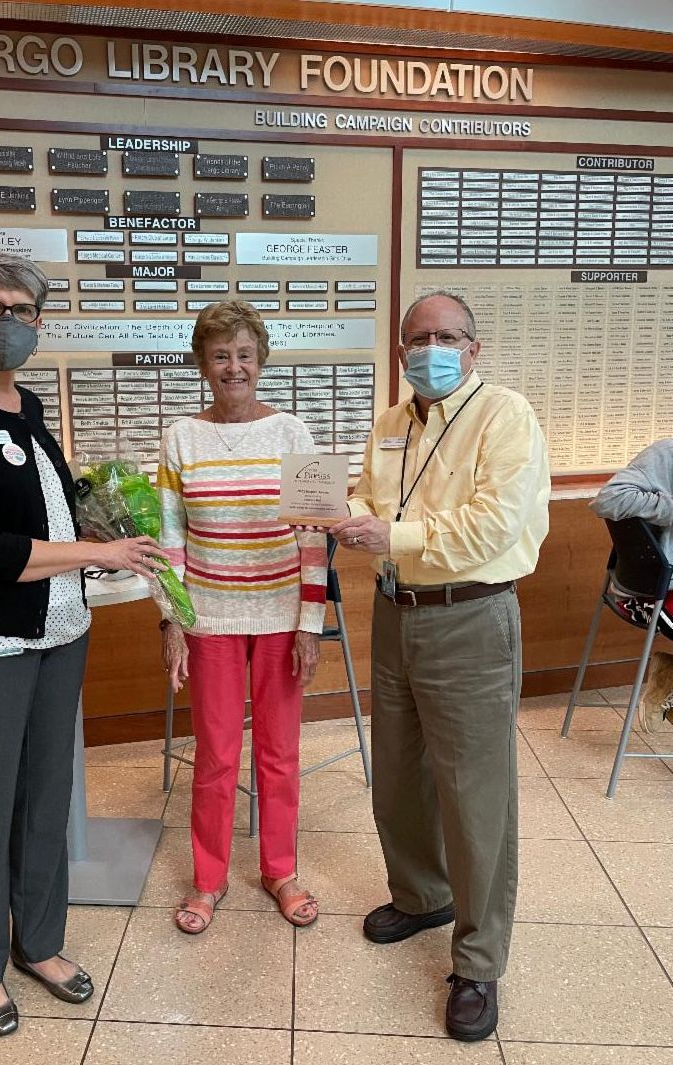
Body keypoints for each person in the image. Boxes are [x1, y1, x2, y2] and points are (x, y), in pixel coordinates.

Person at [0, 250, 167, 1037]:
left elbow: (43, 514)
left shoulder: (27, 404)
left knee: (45, 797)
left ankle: (39, 942)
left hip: (57, 636)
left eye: (22, 311)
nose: (8, 323)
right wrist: (95, 551)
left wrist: (103, 531)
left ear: (40, 322)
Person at [329, 290, 550, 1042]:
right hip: (395, 613)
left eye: (447, 337)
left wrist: (390, 534)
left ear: (473, 348)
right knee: (398, 775)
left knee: (474, 795)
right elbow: (370, 491)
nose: (432, 350)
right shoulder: (392, 422)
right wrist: (346, 510)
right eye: (418, 339)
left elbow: (496, 523)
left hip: (471, 616)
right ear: (401, 352)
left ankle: (480, 961)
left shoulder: (505, 416)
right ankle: (423, 895)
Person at [157, 300, 327, 934]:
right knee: (216, 755)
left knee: (280, 753)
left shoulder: (294, 434)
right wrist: (173, 621)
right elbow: (170, 539)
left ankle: (280, 870)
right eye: (221, 355)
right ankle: (209, 878)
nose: (234, 367)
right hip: (209, 617)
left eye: (245, 355)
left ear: (261, 361)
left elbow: (315, 537)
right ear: (203, 364)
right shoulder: (180, 436)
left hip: (281, 614)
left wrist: (310, 623)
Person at [591, 439, 673, 731]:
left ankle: (669, 676)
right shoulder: (667, 454)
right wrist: (668, 506)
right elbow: (608, 499)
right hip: (653, 595)